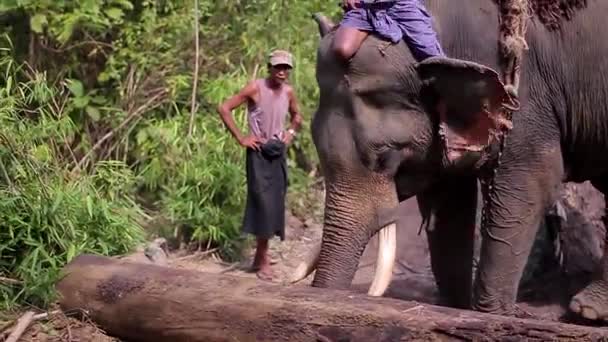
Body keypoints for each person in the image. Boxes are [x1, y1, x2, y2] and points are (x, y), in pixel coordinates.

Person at [217, 50, 303, 281]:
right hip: (258, 151)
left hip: (277, 151)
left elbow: (297, 117)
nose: (282, 71)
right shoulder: (255, 88)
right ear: (270, 67)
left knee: (274, 202)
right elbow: (224, 108)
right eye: (278, 67)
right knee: (262, 202)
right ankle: (263, 260)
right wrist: (241, 137)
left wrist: (291, 133)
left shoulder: (288, 92)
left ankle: (259, 257)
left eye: (286, 68)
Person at [333, 0, 444, 62]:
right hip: (364, 6)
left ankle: (445, 99)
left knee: (431, 54)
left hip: (401, 5)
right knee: (342, 50)